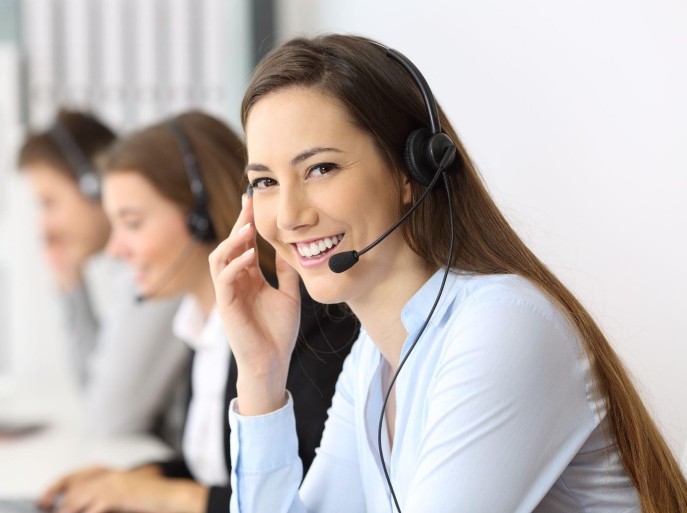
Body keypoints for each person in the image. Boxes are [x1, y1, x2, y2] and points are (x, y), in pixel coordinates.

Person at [208, 35, 687, 512]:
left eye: (320, 168)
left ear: (411, 170)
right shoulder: (372, 361)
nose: (289, 216)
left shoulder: (503, 326)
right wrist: (261, 376)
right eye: (265, 182)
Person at [38, 111, 359, 513]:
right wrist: (138, 478)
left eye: (132, 223)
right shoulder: (202, 328)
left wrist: (155, 496)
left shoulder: (307, 326)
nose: (115, 249)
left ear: (200, 216)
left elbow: (297, 497)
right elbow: (218, 469)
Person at [17, 110, 190, 447]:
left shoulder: (160, 267)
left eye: (49, 202)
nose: (44, 228)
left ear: (93, 186)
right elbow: (95, 389)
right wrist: (69, 281)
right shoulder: (130, 272)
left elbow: (108, 416)